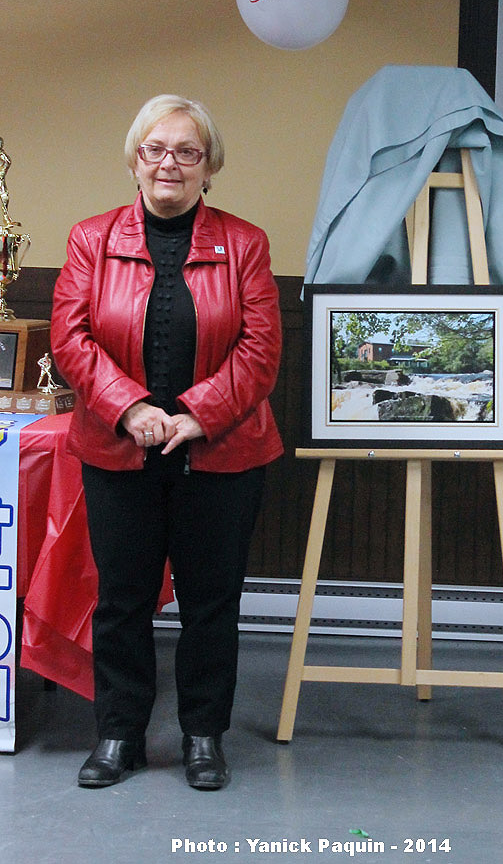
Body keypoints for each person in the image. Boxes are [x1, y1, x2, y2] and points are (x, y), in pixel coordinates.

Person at [51, 94, 283, 790]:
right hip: (117, 450)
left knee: (212, 600)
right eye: (155, 149)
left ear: (209, 168)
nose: (169, 164)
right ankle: (119, 734)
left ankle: (203, 735)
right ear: (134, 160)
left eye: (187, 151)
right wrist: (127, 409)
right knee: (121, 598)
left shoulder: (246, 243)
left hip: (222, 452)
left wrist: (194, 415)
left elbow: (261, 348)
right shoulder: (91, 238)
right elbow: (71, 337)